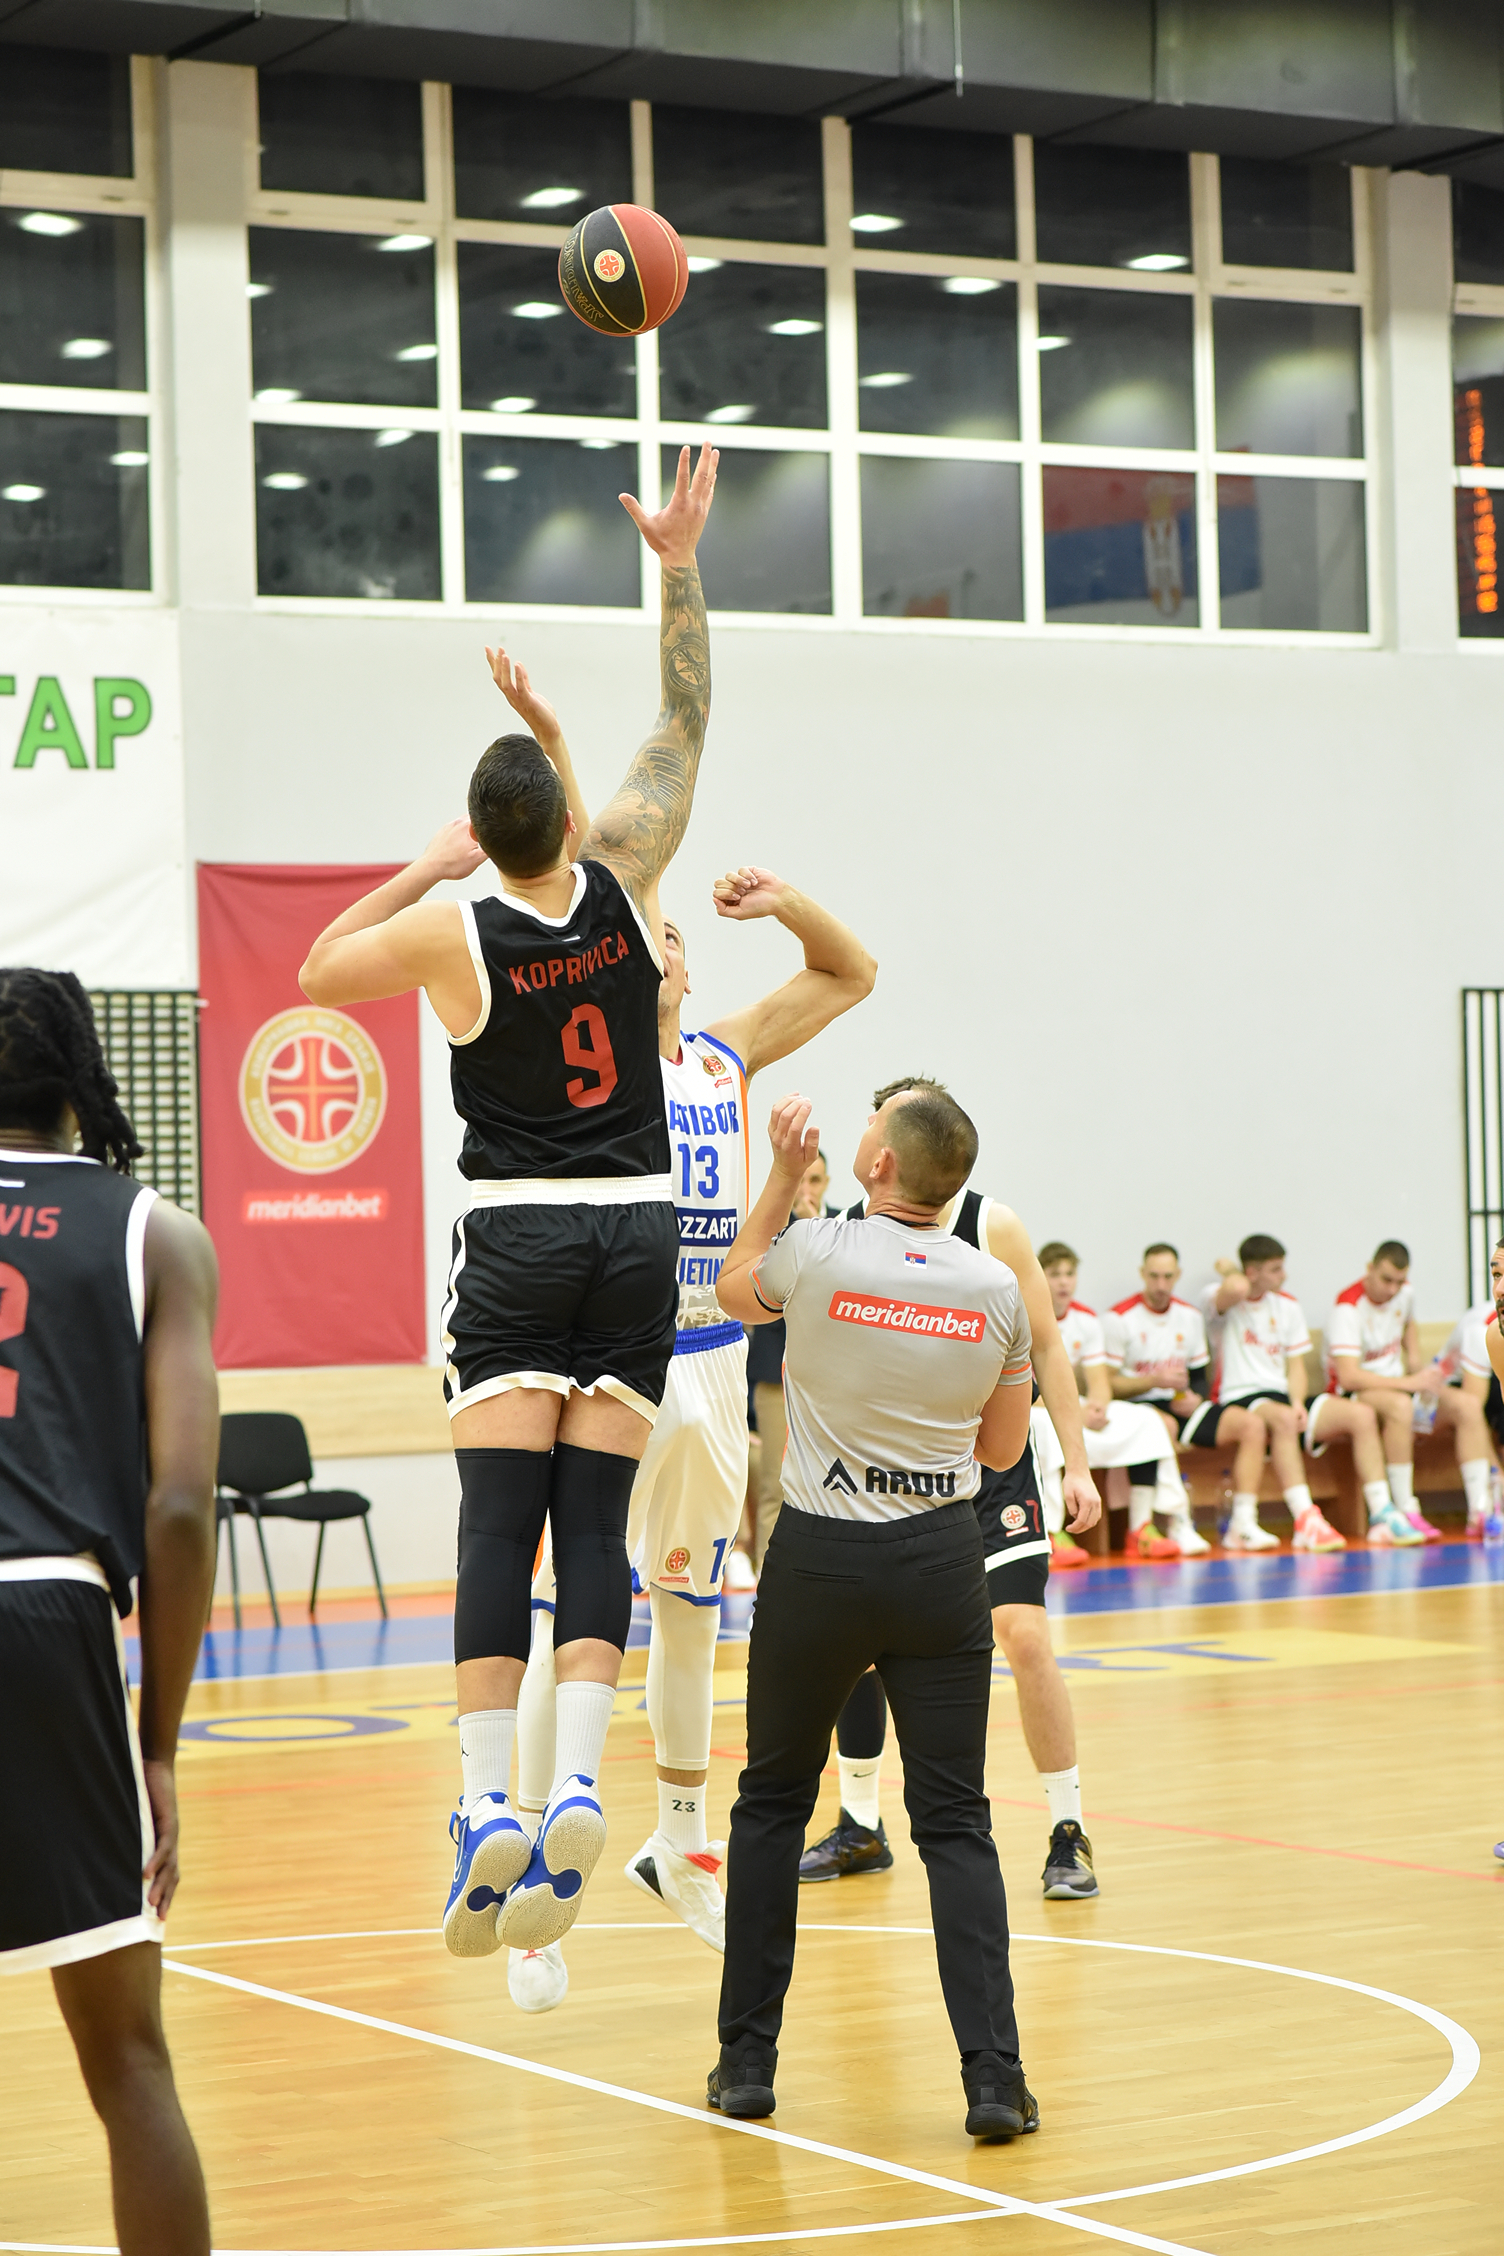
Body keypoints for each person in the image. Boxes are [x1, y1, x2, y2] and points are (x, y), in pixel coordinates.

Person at [299, 444, 718, 1962]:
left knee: (499, 1522)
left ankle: (489, 1801)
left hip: (520, 1236)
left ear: (485, 833)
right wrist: (676, 564)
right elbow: (680, 722)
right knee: (595, 1521)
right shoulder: (622, 880)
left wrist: (426, 863)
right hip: (639, 1234)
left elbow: (317, 970)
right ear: (570, 816)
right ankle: (586, 1784)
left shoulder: (449, 930)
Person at [510, 877, 874, 2010]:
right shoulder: (582, 1061)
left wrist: (786, 903)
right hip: (613, 1354)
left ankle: (679, 1843)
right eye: (641, 927)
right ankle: (529, 1864)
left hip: (715, 1356)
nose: (662, 937)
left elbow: (850, 973)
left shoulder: (721, 1056)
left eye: (672, 930)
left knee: (692, 1610)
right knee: (564, 1616)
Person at [710, 1086, 1039, 2141]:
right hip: (942, 1563)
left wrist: (777, 1173)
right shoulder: (994, 1287)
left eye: (872, 1122)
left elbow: (730, 1289)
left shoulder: (816, 1250)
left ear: (883, 1163)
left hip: (819, 1560)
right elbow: (1000, 1449)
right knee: (956, 1823)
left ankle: (746, 2064)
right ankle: (994, 2080)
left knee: (771, 1805)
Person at [0, 968, 220, 2256]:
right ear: (85, 1082)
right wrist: (158, 1742)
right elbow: (181, 1507)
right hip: (48, 1617)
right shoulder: (154, 1232)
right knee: (129, 2061)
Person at [800, 1078, 1103, 1907]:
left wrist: (1076, 1463)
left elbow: (1048, 1346)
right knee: (859, 1643)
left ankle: (1067, 1828)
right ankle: (861, 1823)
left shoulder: (990, 1223)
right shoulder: (849, 1231)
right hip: (898, 1466)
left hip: (991, 1463)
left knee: (1024, 1635)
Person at [1034, 1243, 1205, 1560]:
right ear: (1039, 1275)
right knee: (1045, 1429)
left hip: (1074, 1404)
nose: (1064, 1282)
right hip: (1036, 1407)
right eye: (1055, 1274)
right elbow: (1021, 1387)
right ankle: (1050, 1534)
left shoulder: (1086, 1319)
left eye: (1070, 1274)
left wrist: (1097, 1406)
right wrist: (1075, 1411)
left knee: (1147, 1420)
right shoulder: (1027, 1314)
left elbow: (1099, 1381)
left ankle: (1141, 1529)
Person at [1324, 1241, 1494, 1541]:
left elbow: (1408, 1326)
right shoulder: (1347, 1308)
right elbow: (1349, 1378)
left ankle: (1481, 1510)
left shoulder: (1405, 1294)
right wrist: (1410, 1383)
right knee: (1400, 1406)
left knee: (1467, 1405)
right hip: (1357, 1394)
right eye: (1386, 1280)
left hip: (1400, 1387)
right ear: (1369, 1269)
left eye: (1399, 1282)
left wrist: (1417, 1364)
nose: (1393, 1289)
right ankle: (1406, 1508)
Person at [1192, 1236, 1349, 1553]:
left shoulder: (1287, 1306)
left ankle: (1279, 1521)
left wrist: (1297, 1402)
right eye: (1275, 1269)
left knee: (1295, 1416)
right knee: (1281, 1419)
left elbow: (1296, 1367)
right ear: (1251, 1272)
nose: (1284, 1276)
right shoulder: (1221, 1299)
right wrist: (1230, 1268)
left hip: (1278, 1397)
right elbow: (1237, 1287)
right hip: (1236, 1394)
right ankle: (1302, 1516)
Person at [746, 1147, 838, 1571]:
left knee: (833, 1480)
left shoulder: (844, 1228)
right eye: (801, 1179)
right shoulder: (770, 1227)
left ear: (827, 1184)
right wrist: (799, 1228)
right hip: (775, 1375)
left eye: (815, 1180)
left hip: (831, 1377)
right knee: (775, 1482)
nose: (807, 1189)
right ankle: (767, 1576)